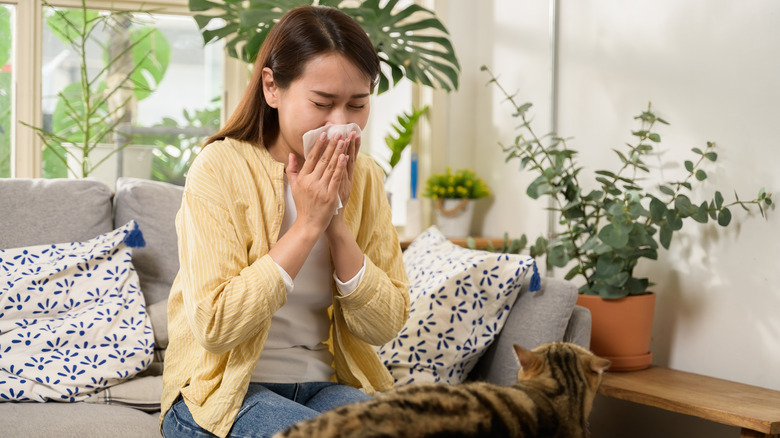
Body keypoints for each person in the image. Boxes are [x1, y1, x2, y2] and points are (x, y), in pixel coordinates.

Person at [159, 6, 410, 438]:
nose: (341, 124)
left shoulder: (365, 177)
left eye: (358, 104)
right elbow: (215, 326)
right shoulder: (219, 166)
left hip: (323, 385)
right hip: (224, 392)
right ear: (272, 88)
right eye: (322, 103)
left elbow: (386, 323)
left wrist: (335, 221)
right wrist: (307, 225)